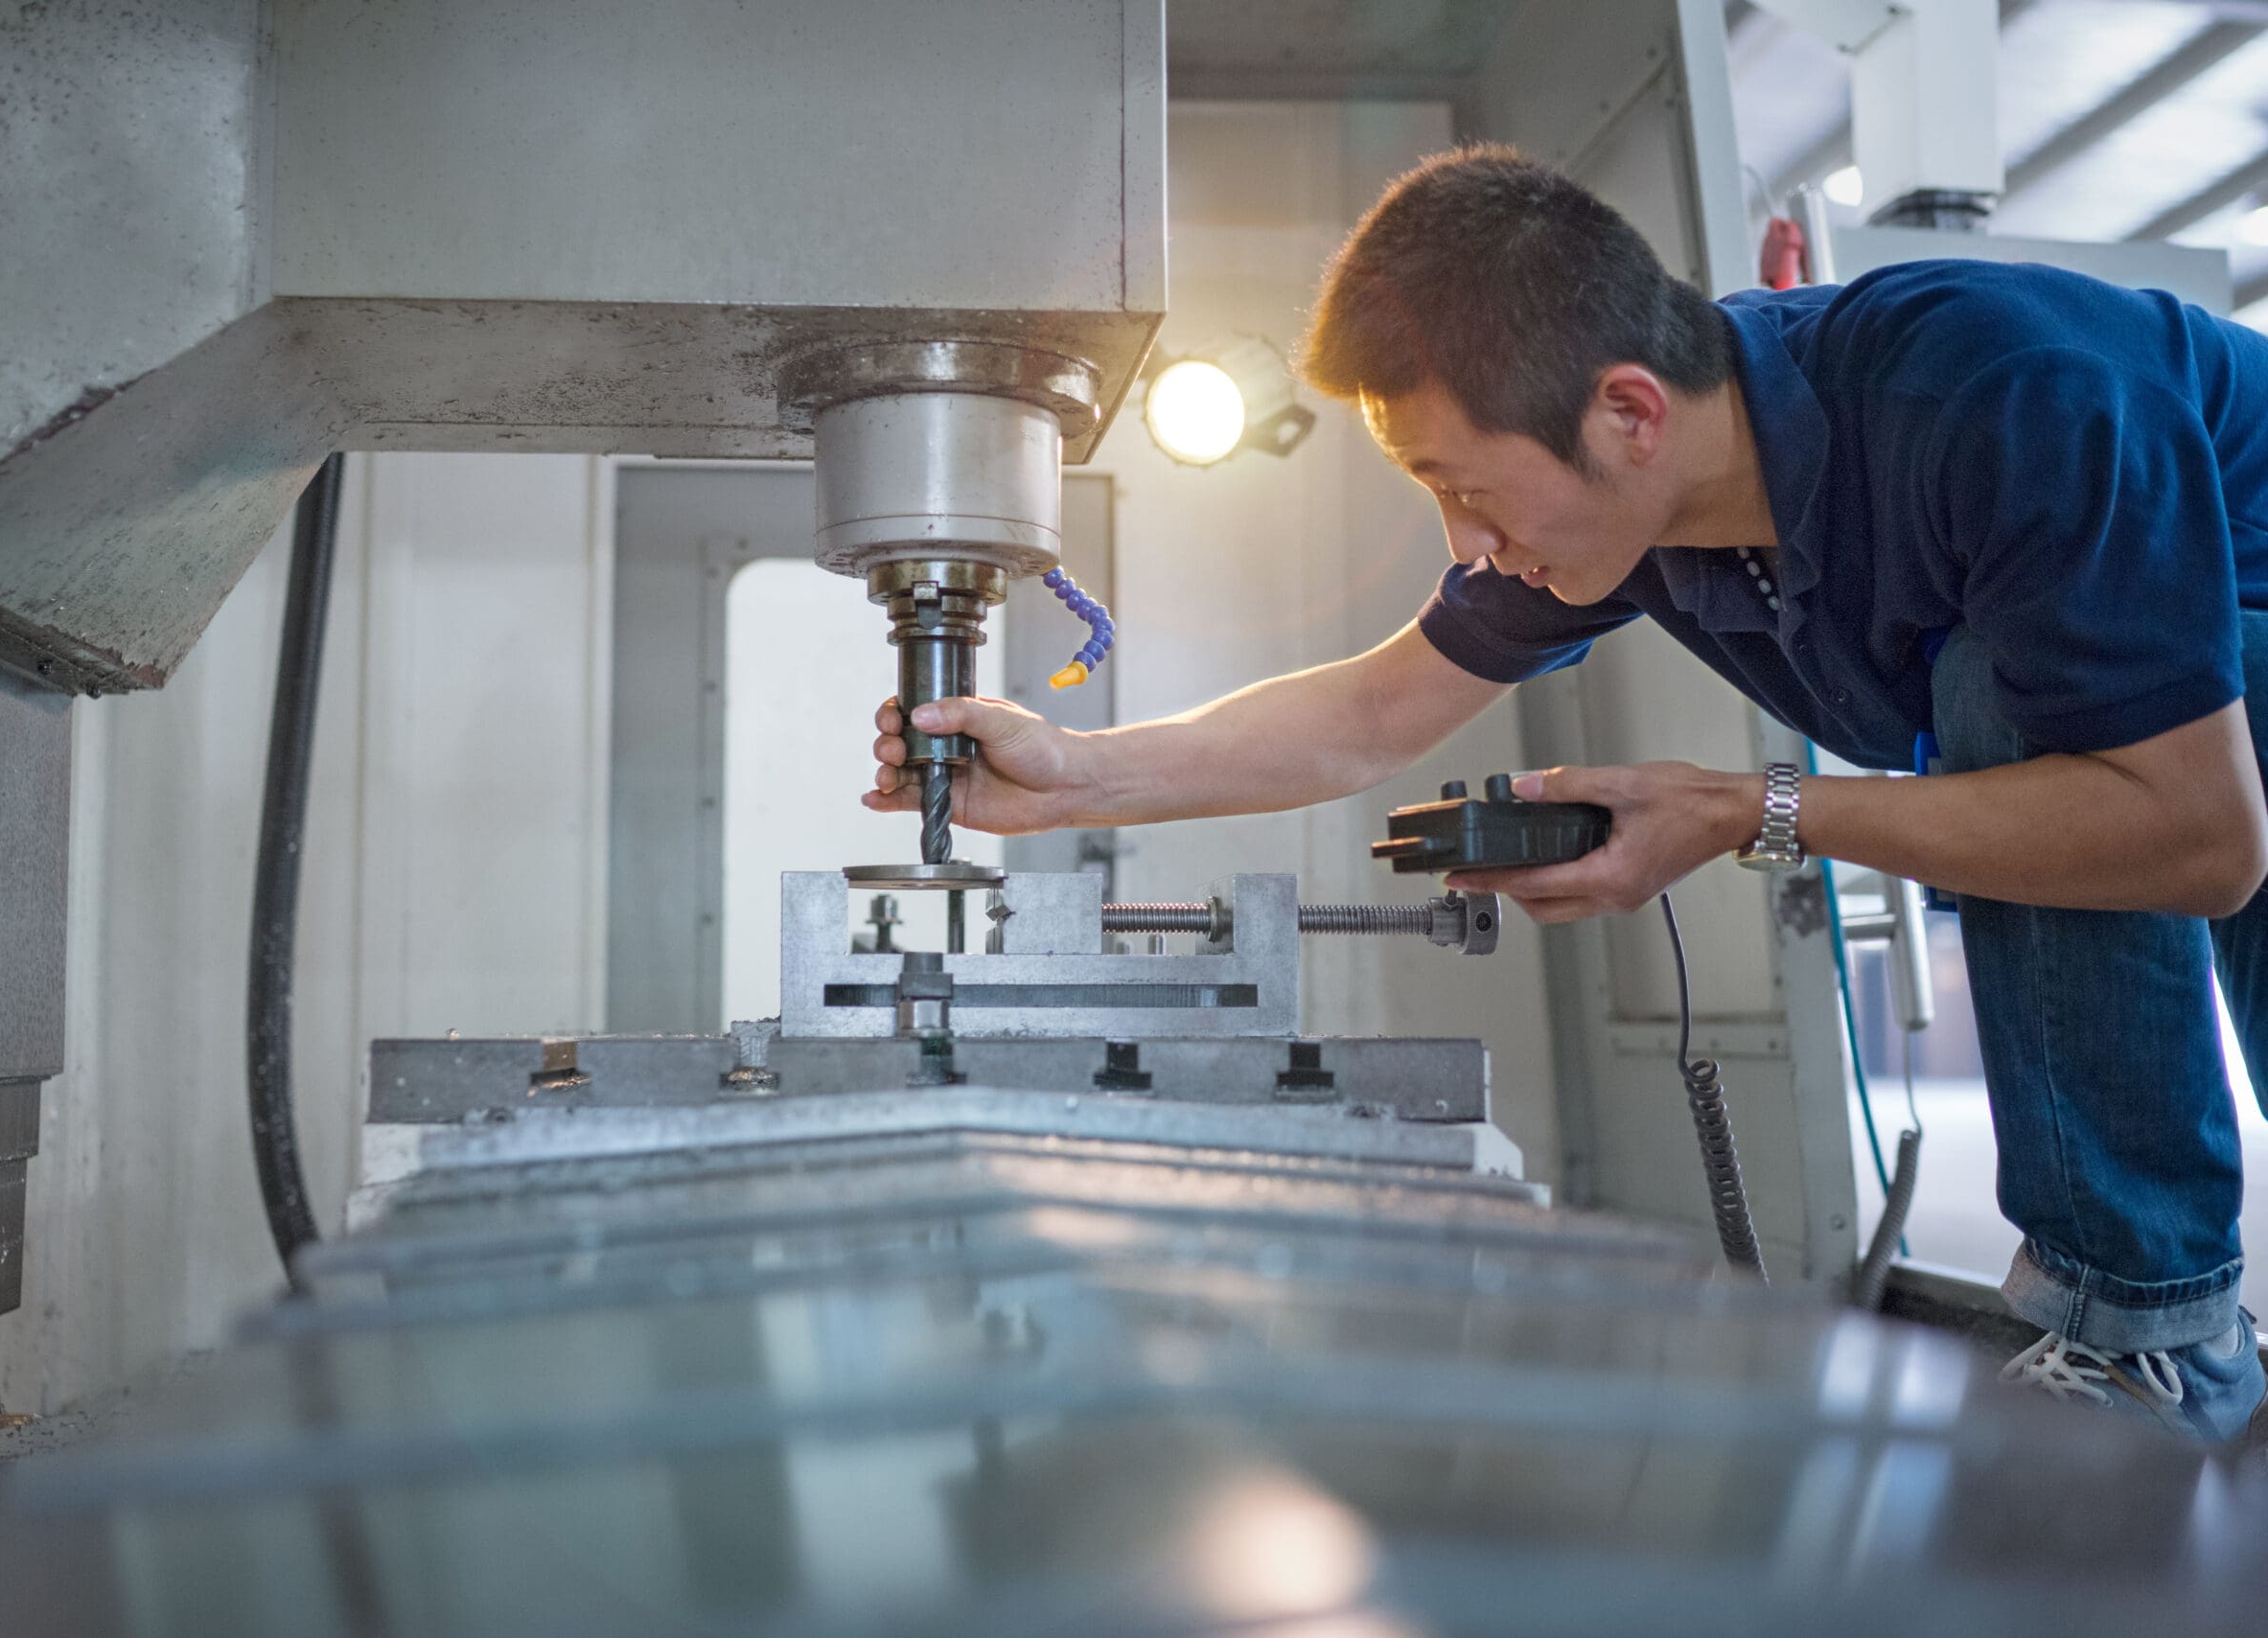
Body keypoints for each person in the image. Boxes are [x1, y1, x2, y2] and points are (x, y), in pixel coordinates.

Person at [865, 144, 2268, 1444]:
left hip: (2230, 662)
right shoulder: (1640, 512)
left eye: (1464, 488)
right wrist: (1067, 782)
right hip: (2192, 728)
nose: (1465, 542)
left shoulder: (2001, 398)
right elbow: (1369, 715)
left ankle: (2153, 1329)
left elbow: (2196, 831)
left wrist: (1746, 809)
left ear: (1629, 411)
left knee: (2012, 697)